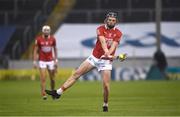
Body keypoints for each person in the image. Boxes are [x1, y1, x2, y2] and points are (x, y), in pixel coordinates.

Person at [45, 12, 123, 112]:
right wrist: (108, 53)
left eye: (113, 20)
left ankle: (105, 104)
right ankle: (58, 93)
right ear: (106, 20)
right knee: (76, 74)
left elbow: (113, 46)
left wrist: (109, 54)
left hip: (106, 62)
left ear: (116, 22)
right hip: (94, 58)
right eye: (109, 20)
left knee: (106, 86)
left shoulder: (119, 33)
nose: (111, 22)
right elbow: (103, 42)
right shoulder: (100, 29)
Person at [33, 25, 58, 100]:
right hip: (42, 60)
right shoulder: (39, 39)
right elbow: (35, 50)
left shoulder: (53, 39)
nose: (46, 32)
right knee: (43, 78)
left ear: (49, 31)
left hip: (50, 60)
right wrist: (34, 61)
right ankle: (44, 94)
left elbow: (55, 49)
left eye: (48, 30)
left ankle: (53, 92)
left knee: (52, 79)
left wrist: (56, 60)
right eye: (45, 30)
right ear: (43, 31)